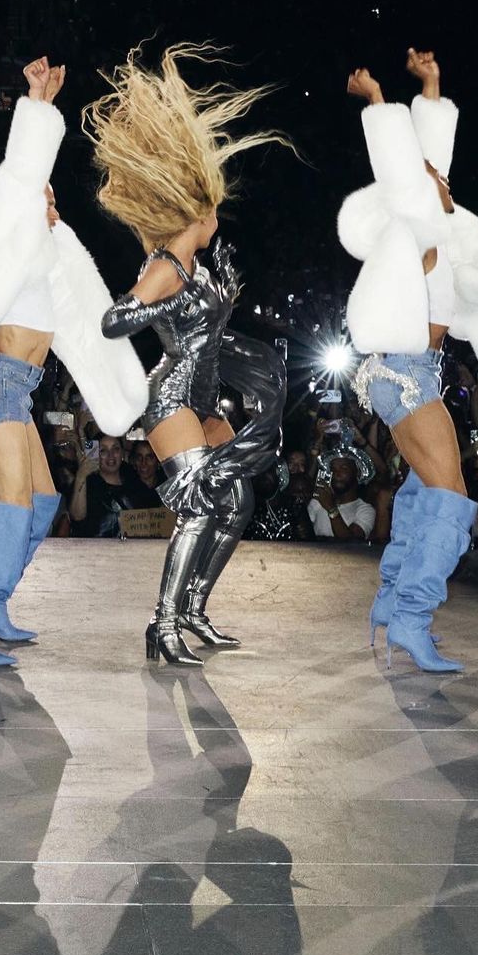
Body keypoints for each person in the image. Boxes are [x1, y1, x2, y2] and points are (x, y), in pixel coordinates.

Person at [0, 56, 147, 667]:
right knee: (14, 504)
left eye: (51, 194)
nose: (50, 201)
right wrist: (37, 104)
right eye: (42, 194)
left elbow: (82, 317)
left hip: (21, 387)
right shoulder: (5, 249)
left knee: (42, 503)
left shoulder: (46, 258)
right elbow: (18, 177)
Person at [87, 42, 288, 666]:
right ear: (197, 212)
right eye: (213, 207)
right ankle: (163, 624)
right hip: (171, 398)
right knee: (199, 506)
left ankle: (194, 607)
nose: (218, 213)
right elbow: (115, 320)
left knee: (238, 500)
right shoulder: (167, 267)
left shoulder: (197, 265)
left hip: (203, 399)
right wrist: (156, 308)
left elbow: (209, 331)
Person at [339, 48, 478, 671]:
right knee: (452, 502)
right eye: (430, 179)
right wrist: (379, 105)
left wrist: (432, 86)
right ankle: (412, 617)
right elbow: (408, 173)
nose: (443, 181)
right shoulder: (416, 230)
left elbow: (429, 159)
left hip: (408, 372)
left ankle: (391, 603)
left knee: (424, 493)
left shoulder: (440, 237)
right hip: (406, 373)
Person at [70, 434, 159, 536]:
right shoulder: (88, 483)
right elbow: (77, 516)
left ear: (122, 453)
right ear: (96, 455)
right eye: (103, 450)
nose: (111, 455)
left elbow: (154, 513)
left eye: (115, 449)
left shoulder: (133, 480)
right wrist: (81, 475)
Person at [308, 453, 376, 540]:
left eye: (344, 468)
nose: (336, 473)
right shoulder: (319, 500)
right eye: (333, 469)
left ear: (357, 473)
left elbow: (351, 542)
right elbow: (303, 534)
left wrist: (331, 509)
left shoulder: (365, 509)